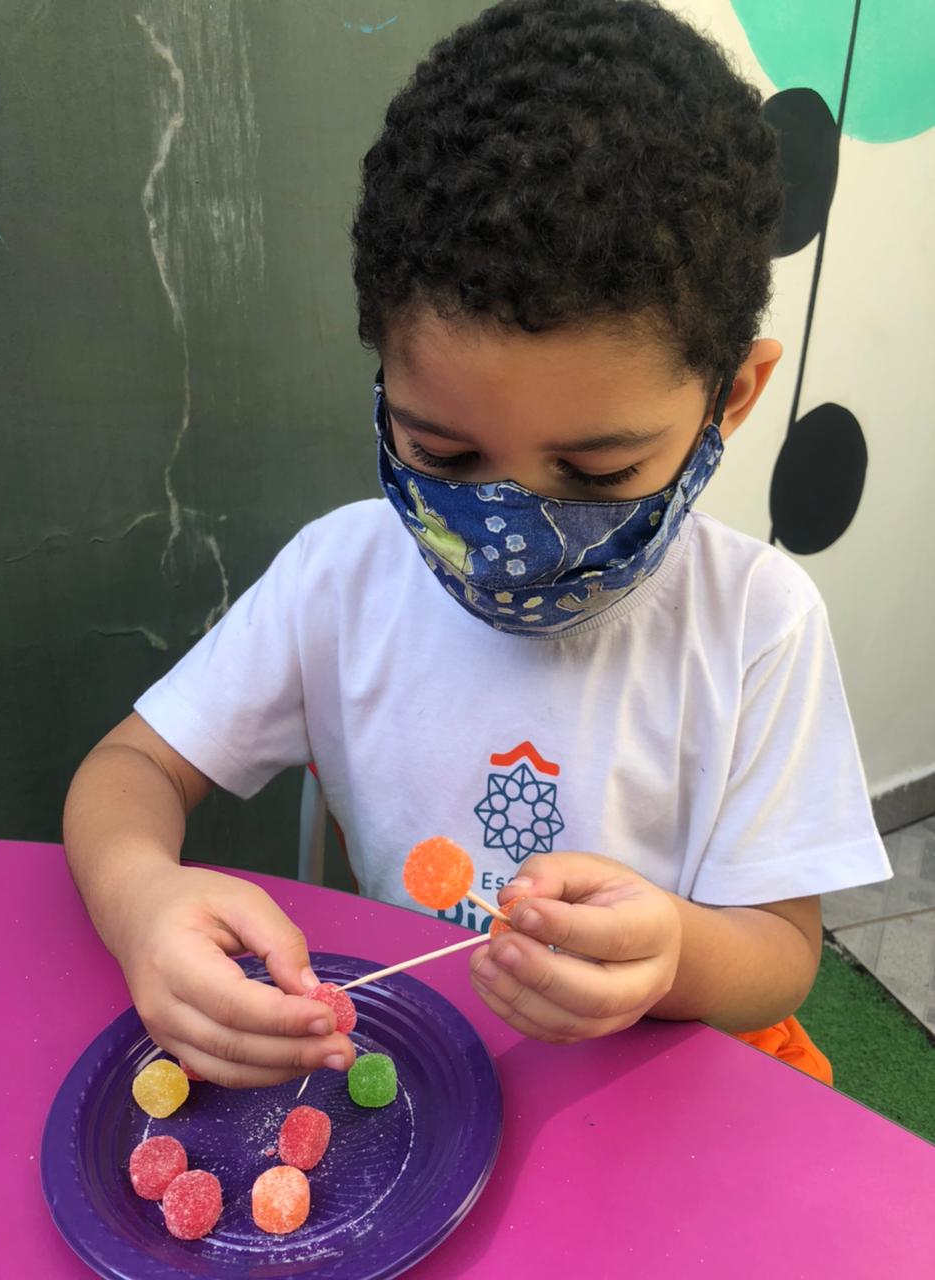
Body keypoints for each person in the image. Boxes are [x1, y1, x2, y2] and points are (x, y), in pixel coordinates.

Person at [64, 0, 890, 1089]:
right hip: (419, 1075)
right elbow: (128, 769)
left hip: (657, 1085)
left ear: (729, 400)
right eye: (443, 453)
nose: (510, 531)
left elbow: (779, 954)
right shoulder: (339, 579)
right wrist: (141, 898)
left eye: (596, 474)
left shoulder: (757, 625)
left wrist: (674, 955)